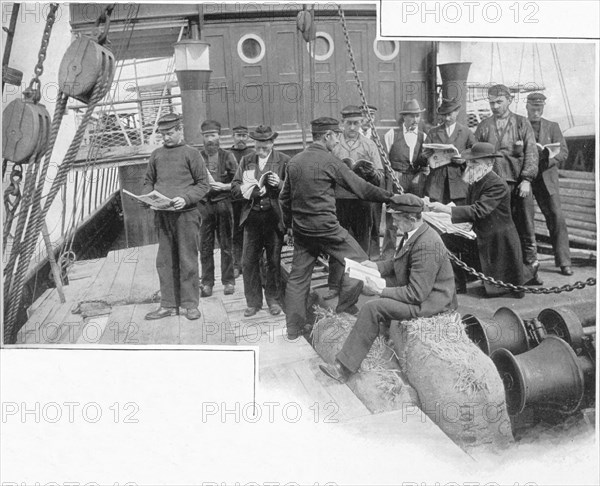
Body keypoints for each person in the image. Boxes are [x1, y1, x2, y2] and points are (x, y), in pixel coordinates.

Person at [319, 193, 458, 383]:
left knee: (372, 307)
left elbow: (416, 294)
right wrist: (376, 266)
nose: (393, 224)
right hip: (421, 291)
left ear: (411, 218)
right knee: (374, 291)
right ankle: (380, 334)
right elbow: (398, 261)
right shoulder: (415, 232)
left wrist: (380, 290)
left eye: (397, 219)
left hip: (431, 303)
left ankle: (343, 369)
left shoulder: (427, 244)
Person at [280, 117, 394, 340]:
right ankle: (345, 307)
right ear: (328, 136)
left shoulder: (294, 162)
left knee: (298, 277)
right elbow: (361, 188)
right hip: (328, 230)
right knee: (361, 263)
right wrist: (391, 197)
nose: (337, 140)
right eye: (335, 136)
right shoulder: (330, 161)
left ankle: (293, 329)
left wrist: (289, 226)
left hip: (303, 231)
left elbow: (284, 199)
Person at [430, 143, 528, 297]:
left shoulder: (497, 184)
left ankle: (530, 272)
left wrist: (444, 209)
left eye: (475, 162)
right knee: (444, 240)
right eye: (469, 161)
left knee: (505, 284)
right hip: (480, 234)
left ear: (490, 164)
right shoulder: (478, 180)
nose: (470, 165)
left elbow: (478, 210)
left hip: (497, 241)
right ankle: (456, 284)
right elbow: (471, 207)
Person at [142, 113, 210, 321]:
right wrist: (146, 197)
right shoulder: (156, 155)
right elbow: (148, 181)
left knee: (187, 259)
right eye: (163, 134)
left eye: (170, 133)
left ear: (180, 130)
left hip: (186, 216)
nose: (166, 138)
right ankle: (169, 305)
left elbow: (203, 185)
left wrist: (186, 198)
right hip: (163, 216)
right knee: (164, 261)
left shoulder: (192, 154)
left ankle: (190, 304)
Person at [474, 84, 541, 282]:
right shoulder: (484, 126)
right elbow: (476, 154)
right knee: (497, 229)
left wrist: (527, 179)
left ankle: (532, 269)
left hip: (518, 184)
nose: (494, 106)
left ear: (510, 100)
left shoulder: (521, 123)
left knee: (526, 226)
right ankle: (500, 274)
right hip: (494, 186)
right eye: (491, 102)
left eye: (499, 102)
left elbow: (531, 152)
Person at [231, 125, 290, 317]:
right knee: (248, 261)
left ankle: (273, 300)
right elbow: (234, 186)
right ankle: (253, 302)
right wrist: (247, 189)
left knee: (273, 260)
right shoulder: (247, 160)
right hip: (252, 217)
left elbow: (291, 190)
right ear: (254, 143)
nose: (261, 149)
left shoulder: (284, 161)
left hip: (274, 218)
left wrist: (279, 184)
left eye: (265, 145)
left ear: (272, 143)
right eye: (258, 145)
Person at [326, 105, 384, 300]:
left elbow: (380, 174)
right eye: (349, 123)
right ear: (342, 123)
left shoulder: (369, 145)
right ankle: (334, 284)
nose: (352, 127)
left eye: (356, 123)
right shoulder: (334, 145)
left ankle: (362, 283)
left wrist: (371, 174)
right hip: (339, 200)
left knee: (361, 243)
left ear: (362, 123)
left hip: (362, 201)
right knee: (337, 240)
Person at [526, 92, 572, 276]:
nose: (536, 112)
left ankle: (564, 262)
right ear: (527, 107)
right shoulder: (521, 125)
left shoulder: (553, 127)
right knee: (525, 220)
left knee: (556, 218)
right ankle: (528, 264)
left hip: (546, 179)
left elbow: (564, 152)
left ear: (543, 108)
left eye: (539, 109)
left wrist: (548, 158)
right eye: (533, 108)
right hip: (527, 179)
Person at [381, 99, 429, 259]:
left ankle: (414, 252)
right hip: (397, 178)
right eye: (411, 116)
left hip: (416, 181)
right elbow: (383, 159)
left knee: (414, 216)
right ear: (404, 117)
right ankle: (388, 255)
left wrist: (421, 175)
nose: (415, 120)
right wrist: (392, 176)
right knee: (392, 217)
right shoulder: (391, 134)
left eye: (417, 116)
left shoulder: (423, 136)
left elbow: (426, 161)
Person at [198, 120, 238, 297]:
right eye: (206, 136)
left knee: (226, 245)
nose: (210, 140)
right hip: (204, 206)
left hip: (223, 204)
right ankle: (207, 283)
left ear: (219, 136)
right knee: (205, 246)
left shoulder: (227, 156)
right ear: (203, 138)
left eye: (213, 135)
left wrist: (224, 186)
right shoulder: (198, 157)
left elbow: (238, 182)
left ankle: (228, 281)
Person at [424, 97, 475, 206]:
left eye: (449, 114)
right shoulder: (433, 132)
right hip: (437, 181)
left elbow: (474, 151)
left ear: (457, 112)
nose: (446, 118)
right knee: (436, 212)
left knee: (458, 214)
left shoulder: (466, 132)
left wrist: (464, 158)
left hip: (458, 180)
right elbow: (424, 152)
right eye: (444, 115)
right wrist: (427, 156)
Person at [230, 125, 255, 278]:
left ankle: (248, 263)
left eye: (244, 135)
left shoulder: (252, 154)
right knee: (235, 232)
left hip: (249, 199)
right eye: (238, 135)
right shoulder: (228, 154)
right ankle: (235, 264)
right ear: (233, 136)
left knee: (250, 231)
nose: (241, 138)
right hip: (232, 200)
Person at [362, 104, 385, 261]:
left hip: (374, 187)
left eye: (372, 115)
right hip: (357, 187)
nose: (369, 119)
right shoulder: (353, 137)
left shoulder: (380, 137)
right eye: (365, 115)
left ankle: (375, 257)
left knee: (375, 222)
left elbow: (385, 164)